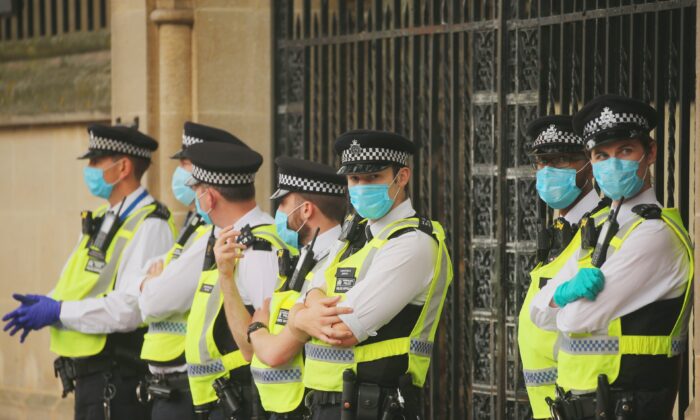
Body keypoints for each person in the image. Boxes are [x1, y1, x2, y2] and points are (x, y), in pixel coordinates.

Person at [530, 95, 694, 420]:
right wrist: (562, 295)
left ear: (651, 153)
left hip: (628, 406)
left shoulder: (653, 234)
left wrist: (561, 301)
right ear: (592, 163)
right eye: (601, 155)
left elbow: (575, 322)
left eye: (625, 151)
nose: (612, 163)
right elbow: (539, 314)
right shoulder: (605, 227)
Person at [3, 123, 175, 420]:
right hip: (91, 378)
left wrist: (59, 311)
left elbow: (130, 309)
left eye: (97, 161)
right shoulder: (101, 217)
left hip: (118, 379)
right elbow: (78, 283)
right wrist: (47, 302)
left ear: (123, 167)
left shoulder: (150, 224)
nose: (91, 169)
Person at [289, 130, 454, 420]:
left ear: (402, 177)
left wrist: (299, 318)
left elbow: (343, 330)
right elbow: (310, 289)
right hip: (325, 404)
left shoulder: (412, 242)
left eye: (373, 177)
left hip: (372, 405)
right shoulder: (354, 234)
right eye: (354, 179)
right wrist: (300, 314)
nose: (361, 187)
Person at [215, 156, 347, 419]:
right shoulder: (296, 263)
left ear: (306, 210)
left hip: (310, 409)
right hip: (280, 409)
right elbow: (249, 350)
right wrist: (226, 276)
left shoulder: (335, 264)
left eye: (283, 203)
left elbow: (272, 352)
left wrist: (258, 328)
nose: (278, 213)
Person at [137, 122, 247, 419]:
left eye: (188, 165)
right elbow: (148, 273)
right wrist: (149, 279)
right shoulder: (195, 225)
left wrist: (150, 283)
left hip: (190, 383)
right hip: (175, 381)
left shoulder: (216, 232)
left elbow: (155, 300)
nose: (184, 175)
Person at [184, 141, 294, 419]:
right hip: (223, 397)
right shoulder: (230, 239)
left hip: (245, 399)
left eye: (196, 189)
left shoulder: (259, 249)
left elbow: (259, 342)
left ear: (209, 197)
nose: (196, 198)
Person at [517, 115, 609, 419]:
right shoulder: (558, 229)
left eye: (562, 161)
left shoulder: (606, 226)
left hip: (583, 401)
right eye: (543, 162)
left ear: (589, 164)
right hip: (549, 405)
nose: (548, 171)